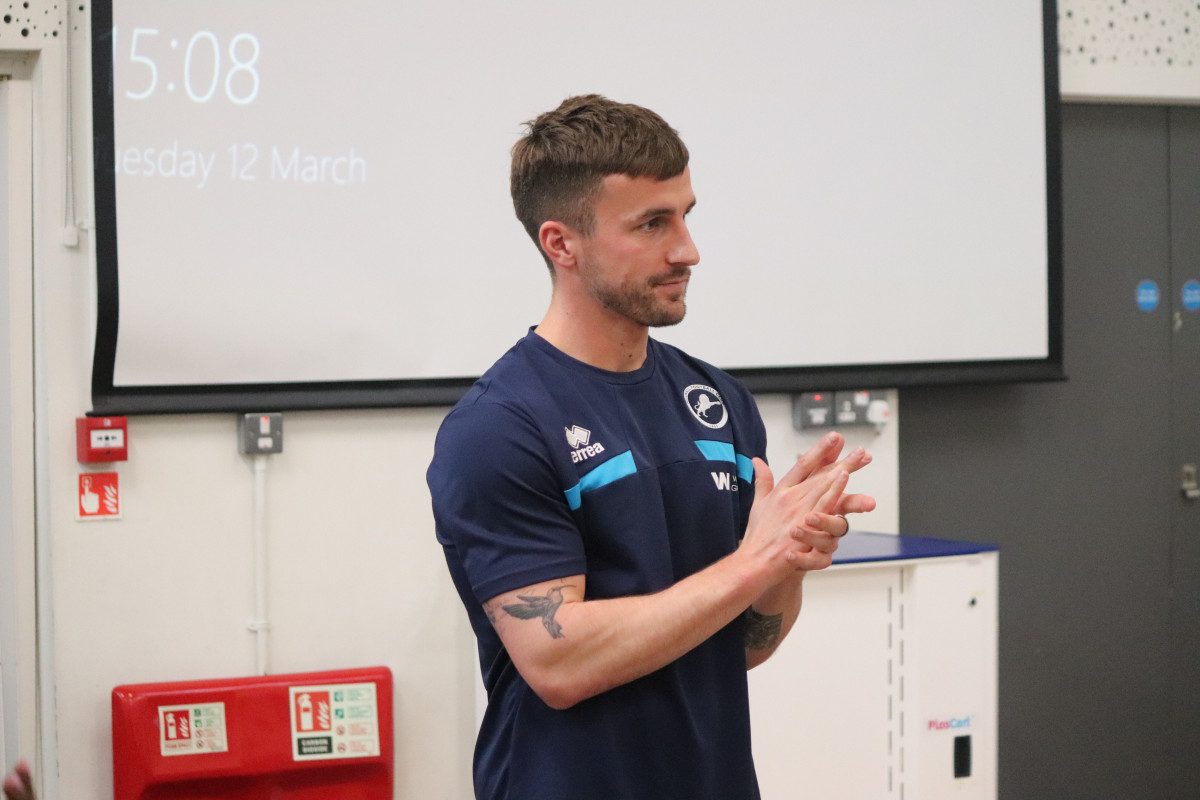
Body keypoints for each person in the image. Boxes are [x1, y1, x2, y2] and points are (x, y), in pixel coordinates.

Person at [427, 94, 875, 800]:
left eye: (687, 215)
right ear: (562, 243)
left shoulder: (719, 403)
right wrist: (752, 561)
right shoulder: (498, 428)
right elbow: (557, 663)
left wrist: (786, 560)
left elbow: (749, 646)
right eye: (651, 224)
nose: (687, 250)